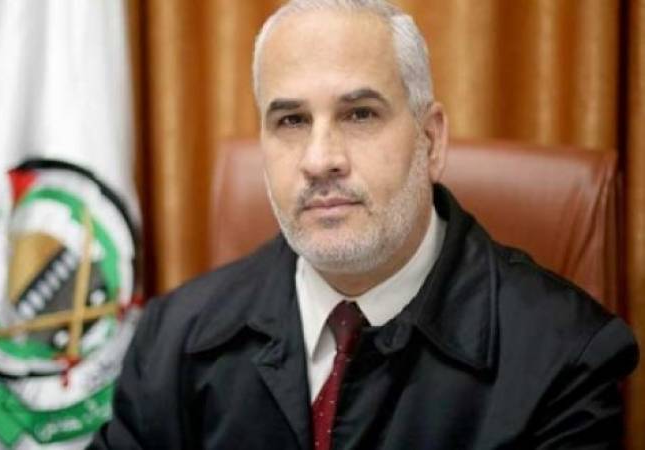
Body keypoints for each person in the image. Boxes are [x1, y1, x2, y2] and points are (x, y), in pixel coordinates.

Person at [91, 1, 639, 448]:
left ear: (431, 140)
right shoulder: (172, 340)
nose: (320, 159)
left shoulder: (566, 359)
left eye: (359, 114)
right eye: (291, 120)